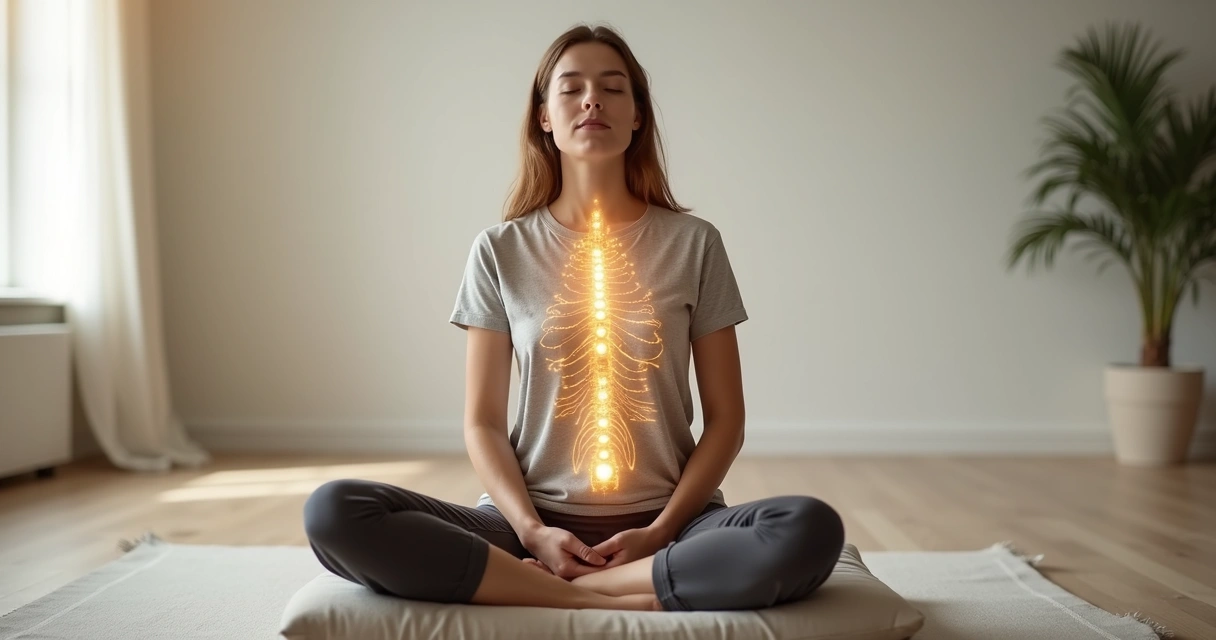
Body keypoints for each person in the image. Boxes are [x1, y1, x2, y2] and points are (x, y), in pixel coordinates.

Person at [303, 23, 844, 612]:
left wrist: (661, 532)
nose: (592, 101)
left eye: (612, 88)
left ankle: (567, 591)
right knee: (334, 512)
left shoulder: (695, 244)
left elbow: (726, 420)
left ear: (637, 116)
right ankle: (612, 595)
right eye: (572, 89)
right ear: (544, 116)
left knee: (808, 528)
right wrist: (532, 531)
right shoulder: (499, 250)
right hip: (527, 525)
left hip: (673, 524)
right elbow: (483, 423)